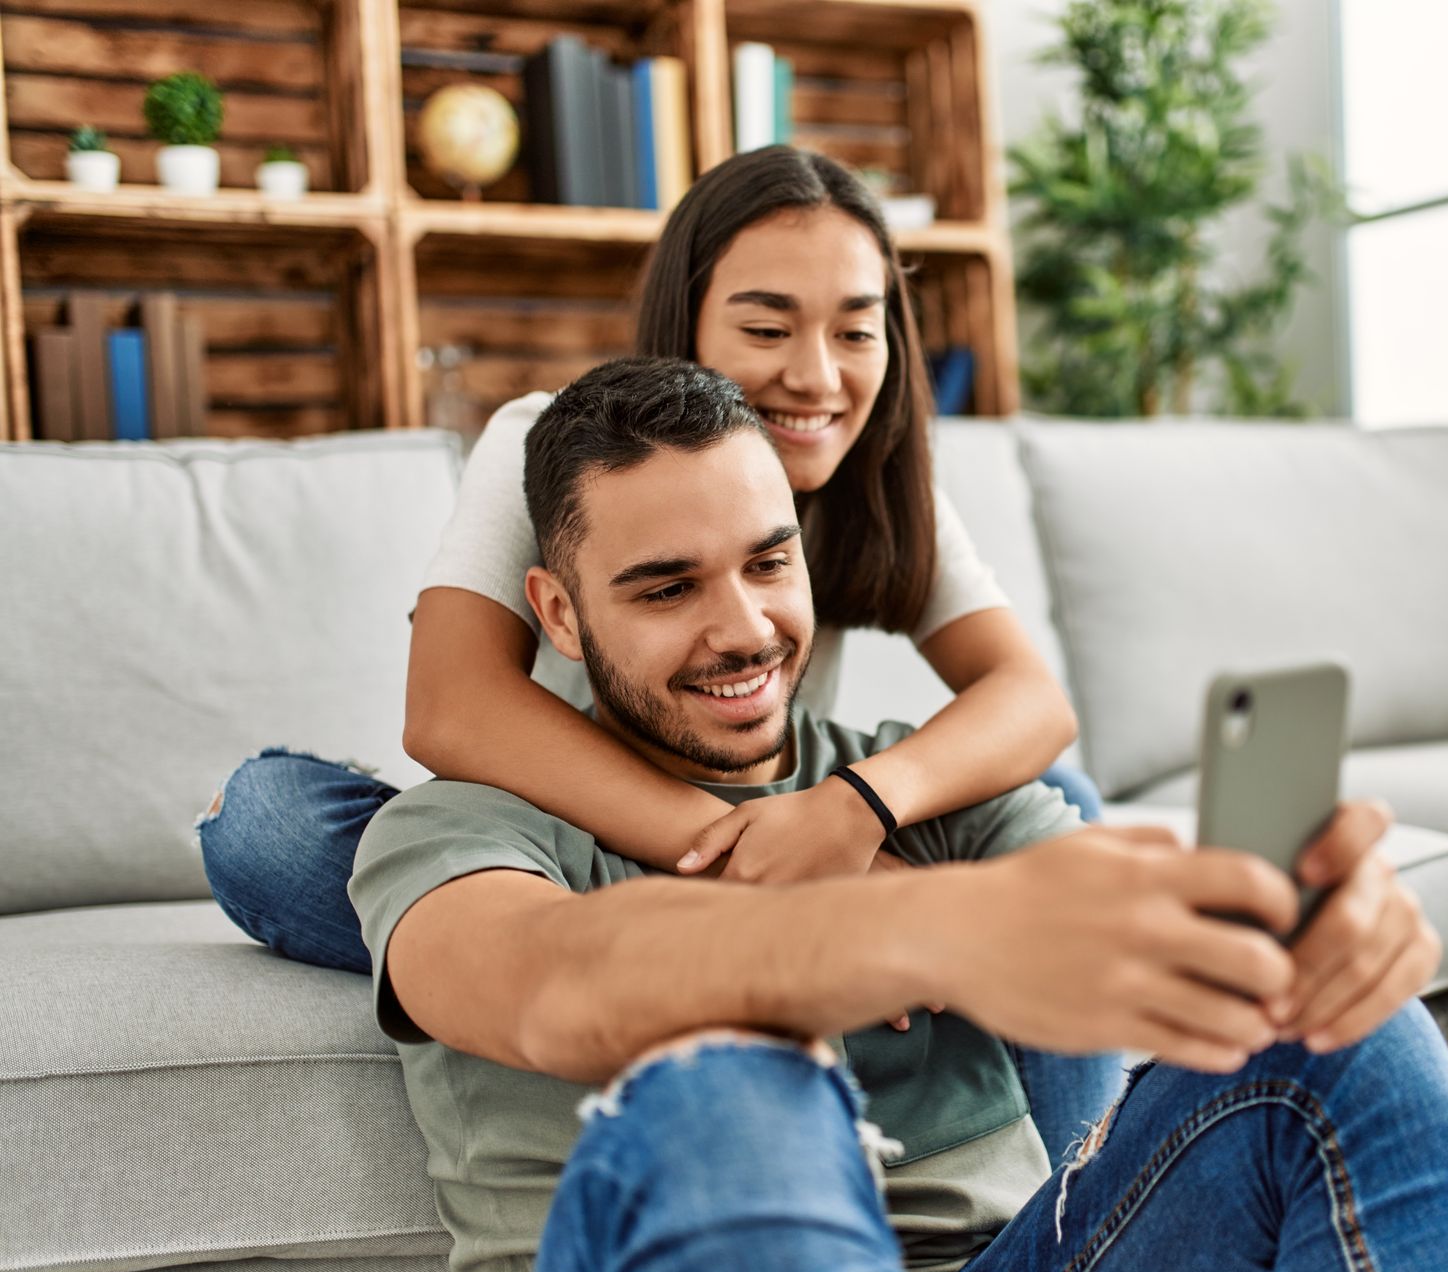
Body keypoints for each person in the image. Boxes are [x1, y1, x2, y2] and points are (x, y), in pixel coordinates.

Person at [349, 356, 1448, 1272]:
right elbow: (557, 987)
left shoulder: (914, 785)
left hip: (1025, 1261)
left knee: (1359, 1029)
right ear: (555, 611)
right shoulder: (458, 827)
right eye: (667, 587)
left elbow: (1102, 906)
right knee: (728, 1088)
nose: (746, 627)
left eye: (769, 562)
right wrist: (925, 930)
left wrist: (1298, 936)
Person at [196, 146, 1116, 1157]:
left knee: (1053, 802)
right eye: (766, 327)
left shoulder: (877, 478)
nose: (814, 373)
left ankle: (1088, 1197)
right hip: (567, 847)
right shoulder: (550, 441)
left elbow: (1032, 701)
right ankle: (714, 944)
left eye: (857, 329)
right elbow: (451, 707)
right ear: (688, 324)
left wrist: (857, 809)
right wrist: (746, 863)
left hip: (780, 815)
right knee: (268, 818)